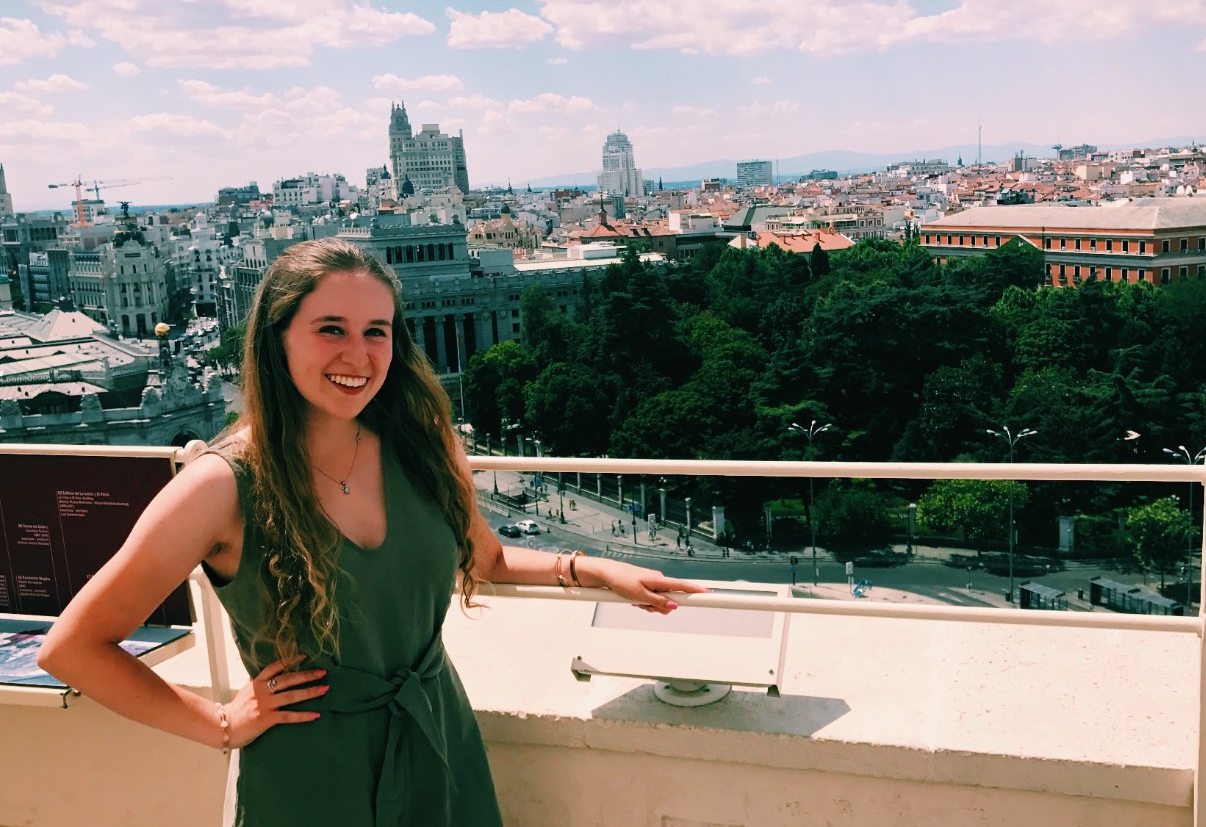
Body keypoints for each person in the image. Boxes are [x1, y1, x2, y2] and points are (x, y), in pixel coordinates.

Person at [38, 239, 706, 827]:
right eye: (331, 328)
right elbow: (72, 647)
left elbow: (488, 559)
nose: (358, 354)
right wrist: (215, 722)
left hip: (439, 742)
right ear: (278, 338)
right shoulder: (221, 485)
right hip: (310, 777)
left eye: (377, 330)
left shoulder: (420, 441)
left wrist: (594, 571)